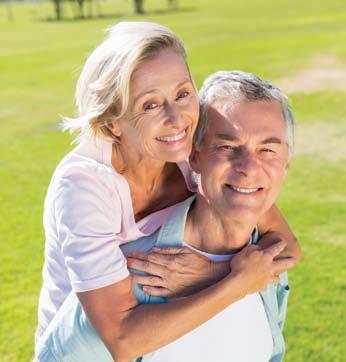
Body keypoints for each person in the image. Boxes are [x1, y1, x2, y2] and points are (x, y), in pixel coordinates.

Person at [35, 21, 300, 361]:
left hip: (158, 306)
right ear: (112, 121)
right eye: (150, 105)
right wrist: (236, 281)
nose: (177, 119)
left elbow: (286, 245)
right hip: (84, 343)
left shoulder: (191, 148)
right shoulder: (84, 186)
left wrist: (212, 272)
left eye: (182, 94)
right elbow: (122, 339)